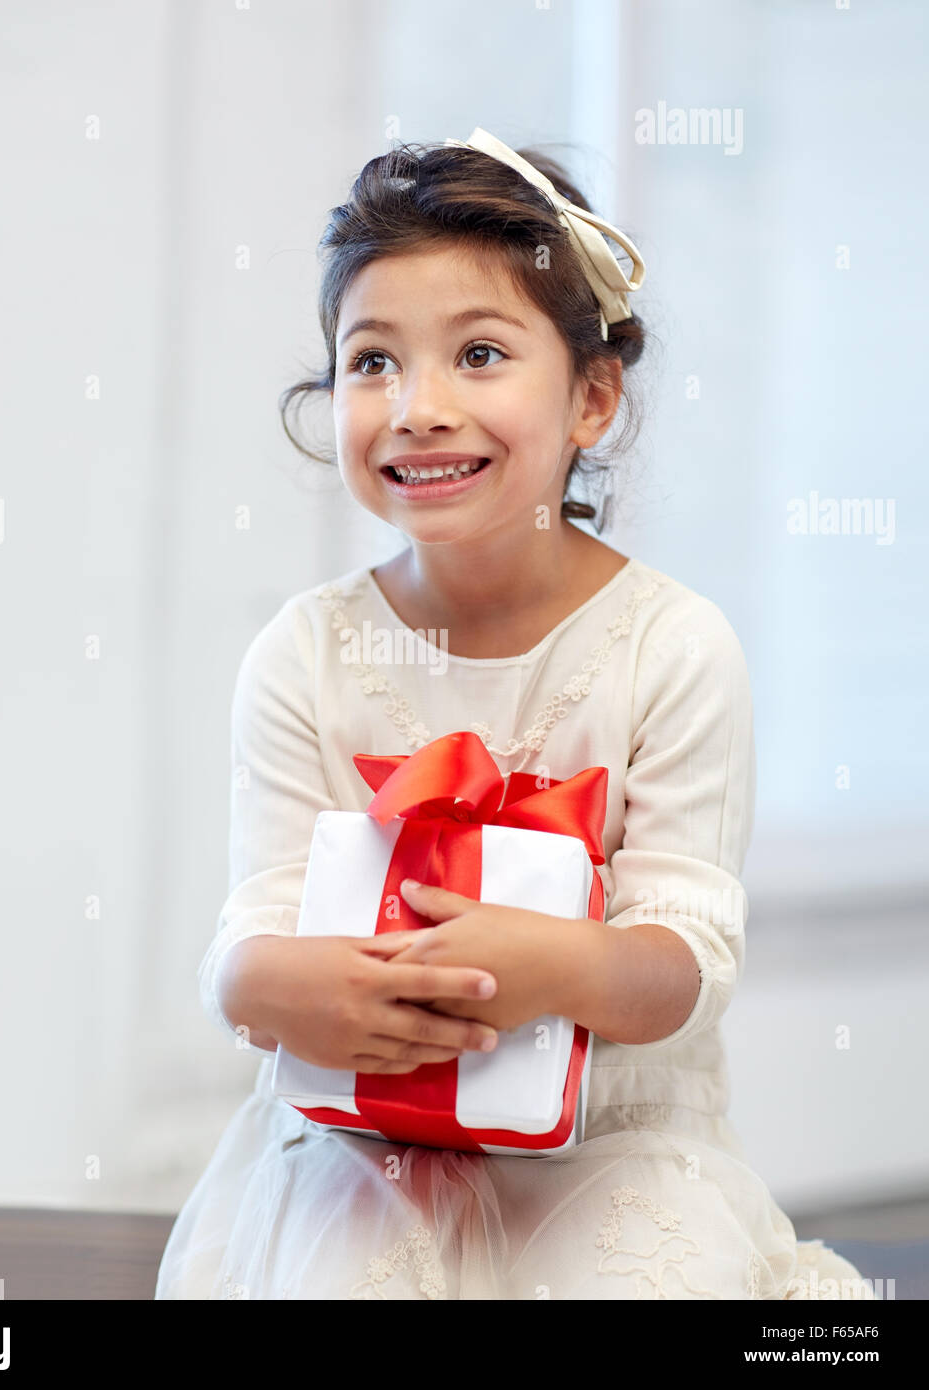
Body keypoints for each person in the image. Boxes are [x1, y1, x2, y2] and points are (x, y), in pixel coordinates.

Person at [155, 128, 874, 1300]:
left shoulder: (671, 648)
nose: (417, 406)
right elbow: (250, 938)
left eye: (478, 353)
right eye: (372, 361)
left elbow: (685, 960)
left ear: (592, 396)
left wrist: (551, 965)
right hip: (363, 1144)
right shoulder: (305, 652)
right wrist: (279, 987)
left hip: (611, 1147)